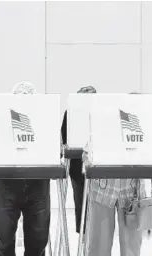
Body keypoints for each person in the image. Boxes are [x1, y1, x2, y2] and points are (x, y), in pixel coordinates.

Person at [0, 81, 50, 256]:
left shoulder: (45, 121)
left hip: (37, 185)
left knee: (38, 242)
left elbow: (57, 151)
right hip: (5, 184)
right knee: (3, 241)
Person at [81, 91, 146, 256]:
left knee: (132, 247)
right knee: (98, 247)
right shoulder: (105, 126)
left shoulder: (144, 129)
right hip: (103, 190)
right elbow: (86, 154)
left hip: (132, 192)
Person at [60, 85, 96, 233]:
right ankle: (82, 232)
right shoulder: (70, 113)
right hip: (76, 164)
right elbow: (64, 138)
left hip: (94, 163)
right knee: (80, 200)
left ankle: (94, 231)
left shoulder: (99, 112)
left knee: (95, 201)